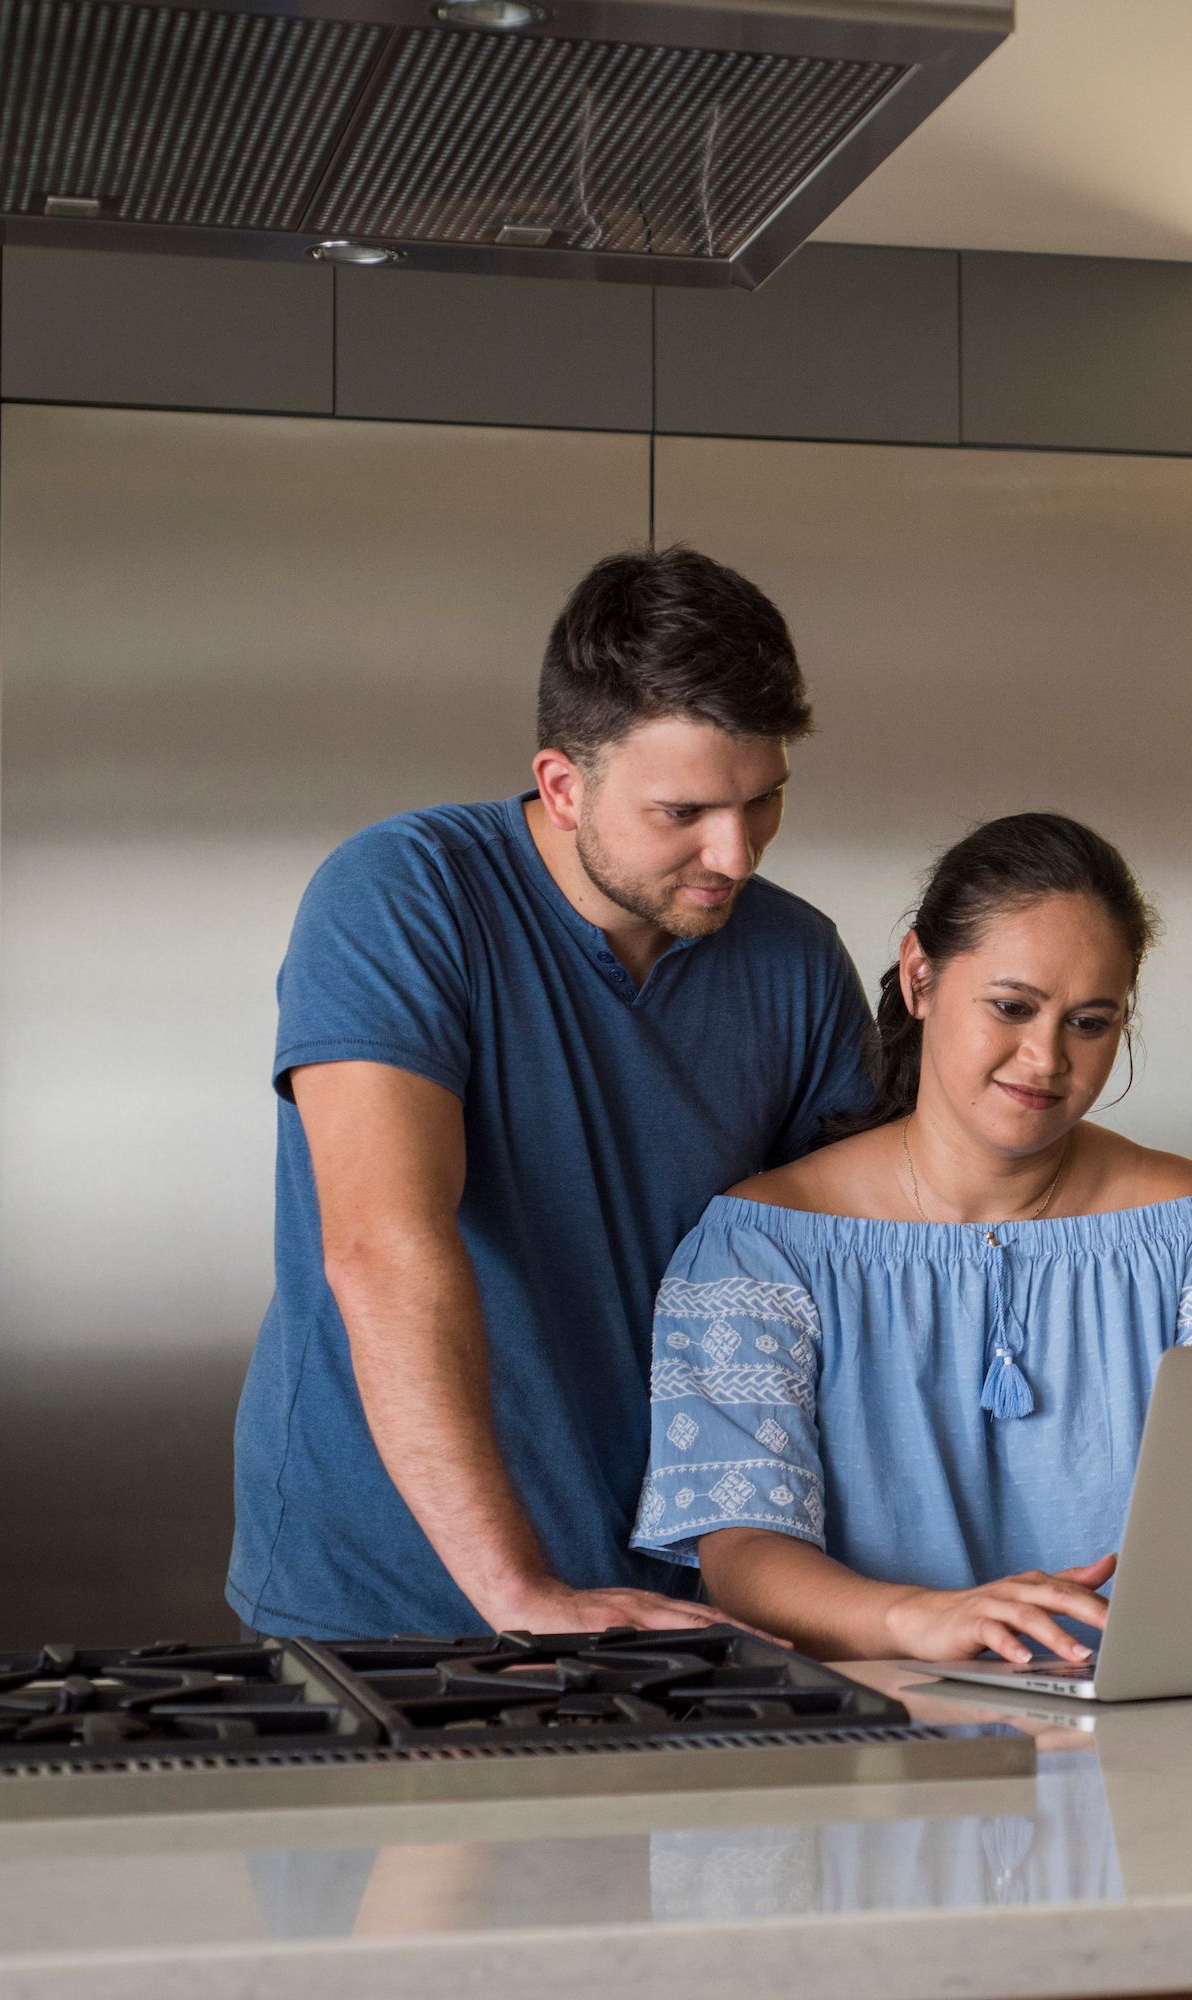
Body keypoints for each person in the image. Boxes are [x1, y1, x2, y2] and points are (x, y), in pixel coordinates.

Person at [229, 546, 873, 1641]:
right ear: (565, 784)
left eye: (765, 801)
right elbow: (382, 1246)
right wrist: (522, 1593)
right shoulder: (401, 894)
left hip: (687, 1611)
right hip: (392, 1606)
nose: (736, 850)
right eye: (684, 813)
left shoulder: (799, 960)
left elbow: (864, 1275)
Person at [632, 813, 1192, 1664]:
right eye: (1013, 1007)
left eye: (1090, 1023)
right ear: (920, 977)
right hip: (876, 1747)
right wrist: (923, 1620)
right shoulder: (760, 1248)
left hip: (1150, 1738)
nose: (1046, 1057)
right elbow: (743, 1557)